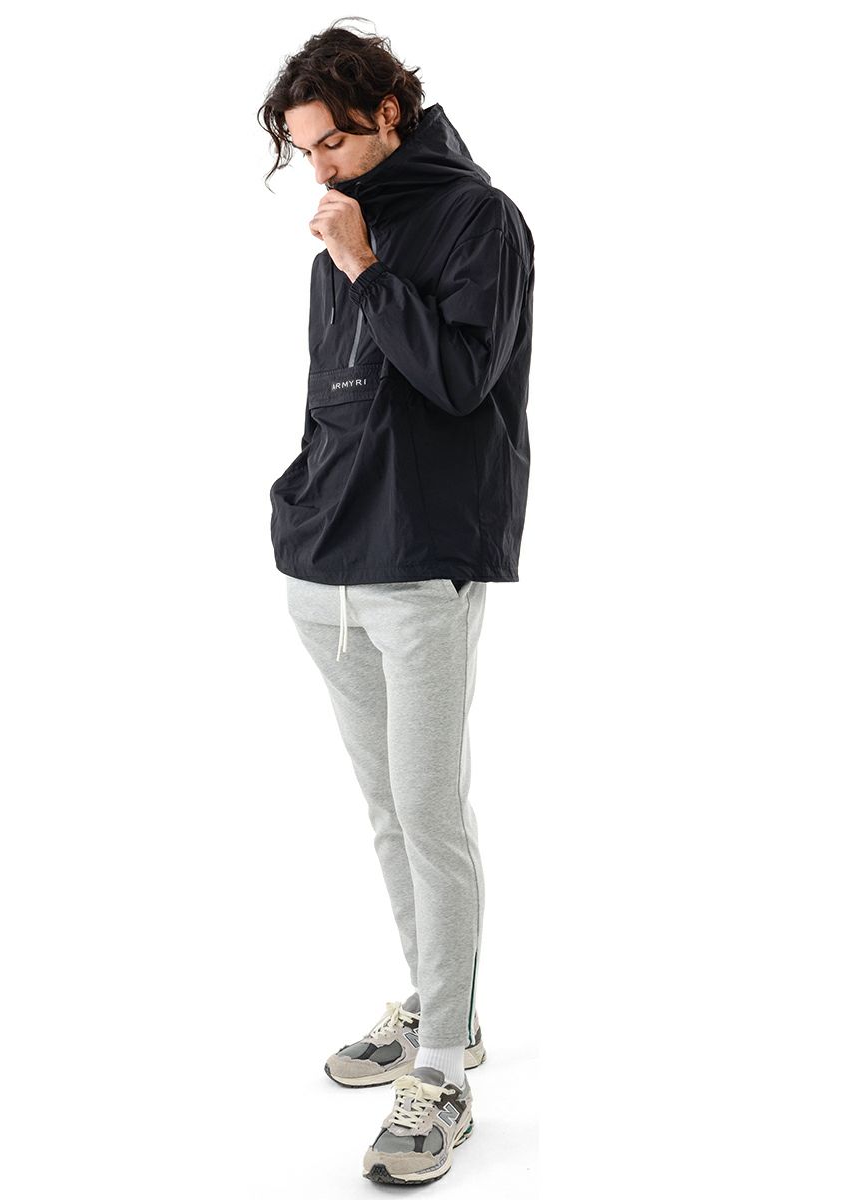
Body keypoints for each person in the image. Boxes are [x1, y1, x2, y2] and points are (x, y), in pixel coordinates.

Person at [259, 19, 535, 1185]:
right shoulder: (342, 223)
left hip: (421, 560)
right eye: (302, 151)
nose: (316, 168)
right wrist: (297, 503)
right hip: (323, 563)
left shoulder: (481, 219)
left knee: (430, 813)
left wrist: (368, 268)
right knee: (384, 809)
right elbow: (338, 399)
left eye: (331, 142)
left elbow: (462, 381)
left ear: (386, 112)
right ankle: (438, 1002)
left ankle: (443, 1073)